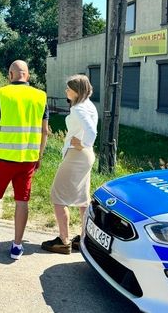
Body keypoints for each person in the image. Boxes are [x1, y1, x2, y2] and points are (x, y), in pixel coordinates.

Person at [0, 60, 49, 260]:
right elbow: (45, 131)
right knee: (22, 200)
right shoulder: (41, 96)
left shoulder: (2, 93)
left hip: (3, 159)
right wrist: (39, 156)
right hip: (28, 160)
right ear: (28, 75)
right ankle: (16, 246)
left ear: (10, 74)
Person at [41, 74, 98, 254]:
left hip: (77, 155)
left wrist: (83, 143)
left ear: (76, 91)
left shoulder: (79, 108)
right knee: (82, 199)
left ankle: (63, 240)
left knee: (58, 195)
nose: (66, 91)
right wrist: (86, 145)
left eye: (68, 88)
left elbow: (92, 131)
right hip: (85, 156)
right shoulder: (89, 105)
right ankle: (82, 238)